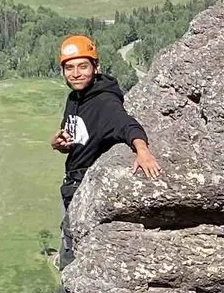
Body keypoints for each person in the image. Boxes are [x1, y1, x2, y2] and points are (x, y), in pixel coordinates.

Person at [50, 34, 161, 272]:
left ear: (96, 67)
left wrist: (142, 150)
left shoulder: (104, 101)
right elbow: (76, 135)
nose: (76, 73)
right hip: (71, 185)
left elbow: (126, 124)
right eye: (69, 68)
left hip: (85, 188)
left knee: (71, 259)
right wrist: (59, 143)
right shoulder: (75, 98)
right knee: (69, 252)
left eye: (83, 66)